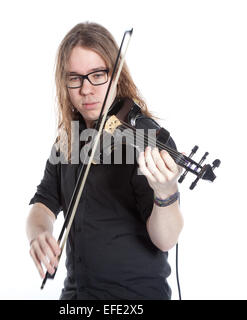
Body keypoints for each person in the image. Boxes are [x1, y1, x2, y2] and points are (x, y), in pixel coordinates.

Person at [26, 22, 184, 300]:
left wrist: (166, 193)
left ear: (116, 76)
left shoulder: (146, 139)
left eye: (97, 75)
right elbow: (43, 203)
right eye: (74, 78)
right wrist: (38, 232)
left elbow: (166, 239)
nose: (86, 90)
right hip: (76, 297)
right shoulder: (68, 140)